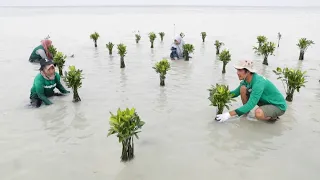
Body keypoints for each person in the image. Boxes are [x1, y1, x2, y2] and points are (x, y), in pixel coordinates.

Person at [216, 60, 287, 122]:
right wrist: (220, 95)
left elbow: (251, 104)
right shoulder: (246, 81)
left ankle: (273, 119)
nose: (237, 73)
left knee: (258, 113)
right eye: (237, 70)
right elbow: (235, 93)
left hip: (278, 106)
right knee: (243, 88)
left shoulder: (258, 83)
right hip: (266, 102)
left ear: (248, 72)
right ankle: (245, 113)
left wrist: (229, 114)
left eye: (240, 70)